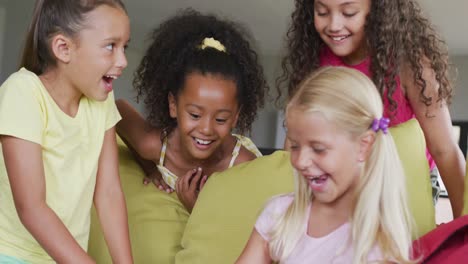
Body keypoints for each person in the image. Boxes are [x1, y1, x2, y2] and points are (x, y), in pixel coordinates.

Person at [277, 0, 465, 218]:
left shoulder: (411, 63)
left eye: (349, 13)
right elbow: (295, 142)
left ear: (376, 10)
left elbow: (445, 150)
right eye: (322, 12)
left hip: (406, 179)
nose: (334, 25)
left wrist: (462, 223)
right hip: (338, 180)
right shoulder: (312, 61)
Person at [237, 67, 415, 263]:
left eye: (318, 149)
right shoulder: (279, 214)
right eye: (295, 146)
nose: (300, 162)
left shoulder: (379, 246)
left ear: (364, 146)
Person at [0, 0, 133, 263]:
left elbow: (108, 192)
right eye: (110, 46)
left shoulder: (102, 100)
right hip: (11, 253)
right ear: (63, 48)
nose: (123, 61)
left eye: (124, 47)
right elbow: (32, 208)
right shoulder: (23, 93)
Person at [116, 9, 268, 212]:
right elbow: (118, 109)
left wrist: (195, 207)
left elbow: (246, 224)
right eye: (195, 115)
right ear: (173, 105)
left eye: (221, 119)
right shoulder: (154, 146)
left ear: (236, 117)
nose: (206, 129)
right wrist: (149, 167)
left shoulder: (242, 164)